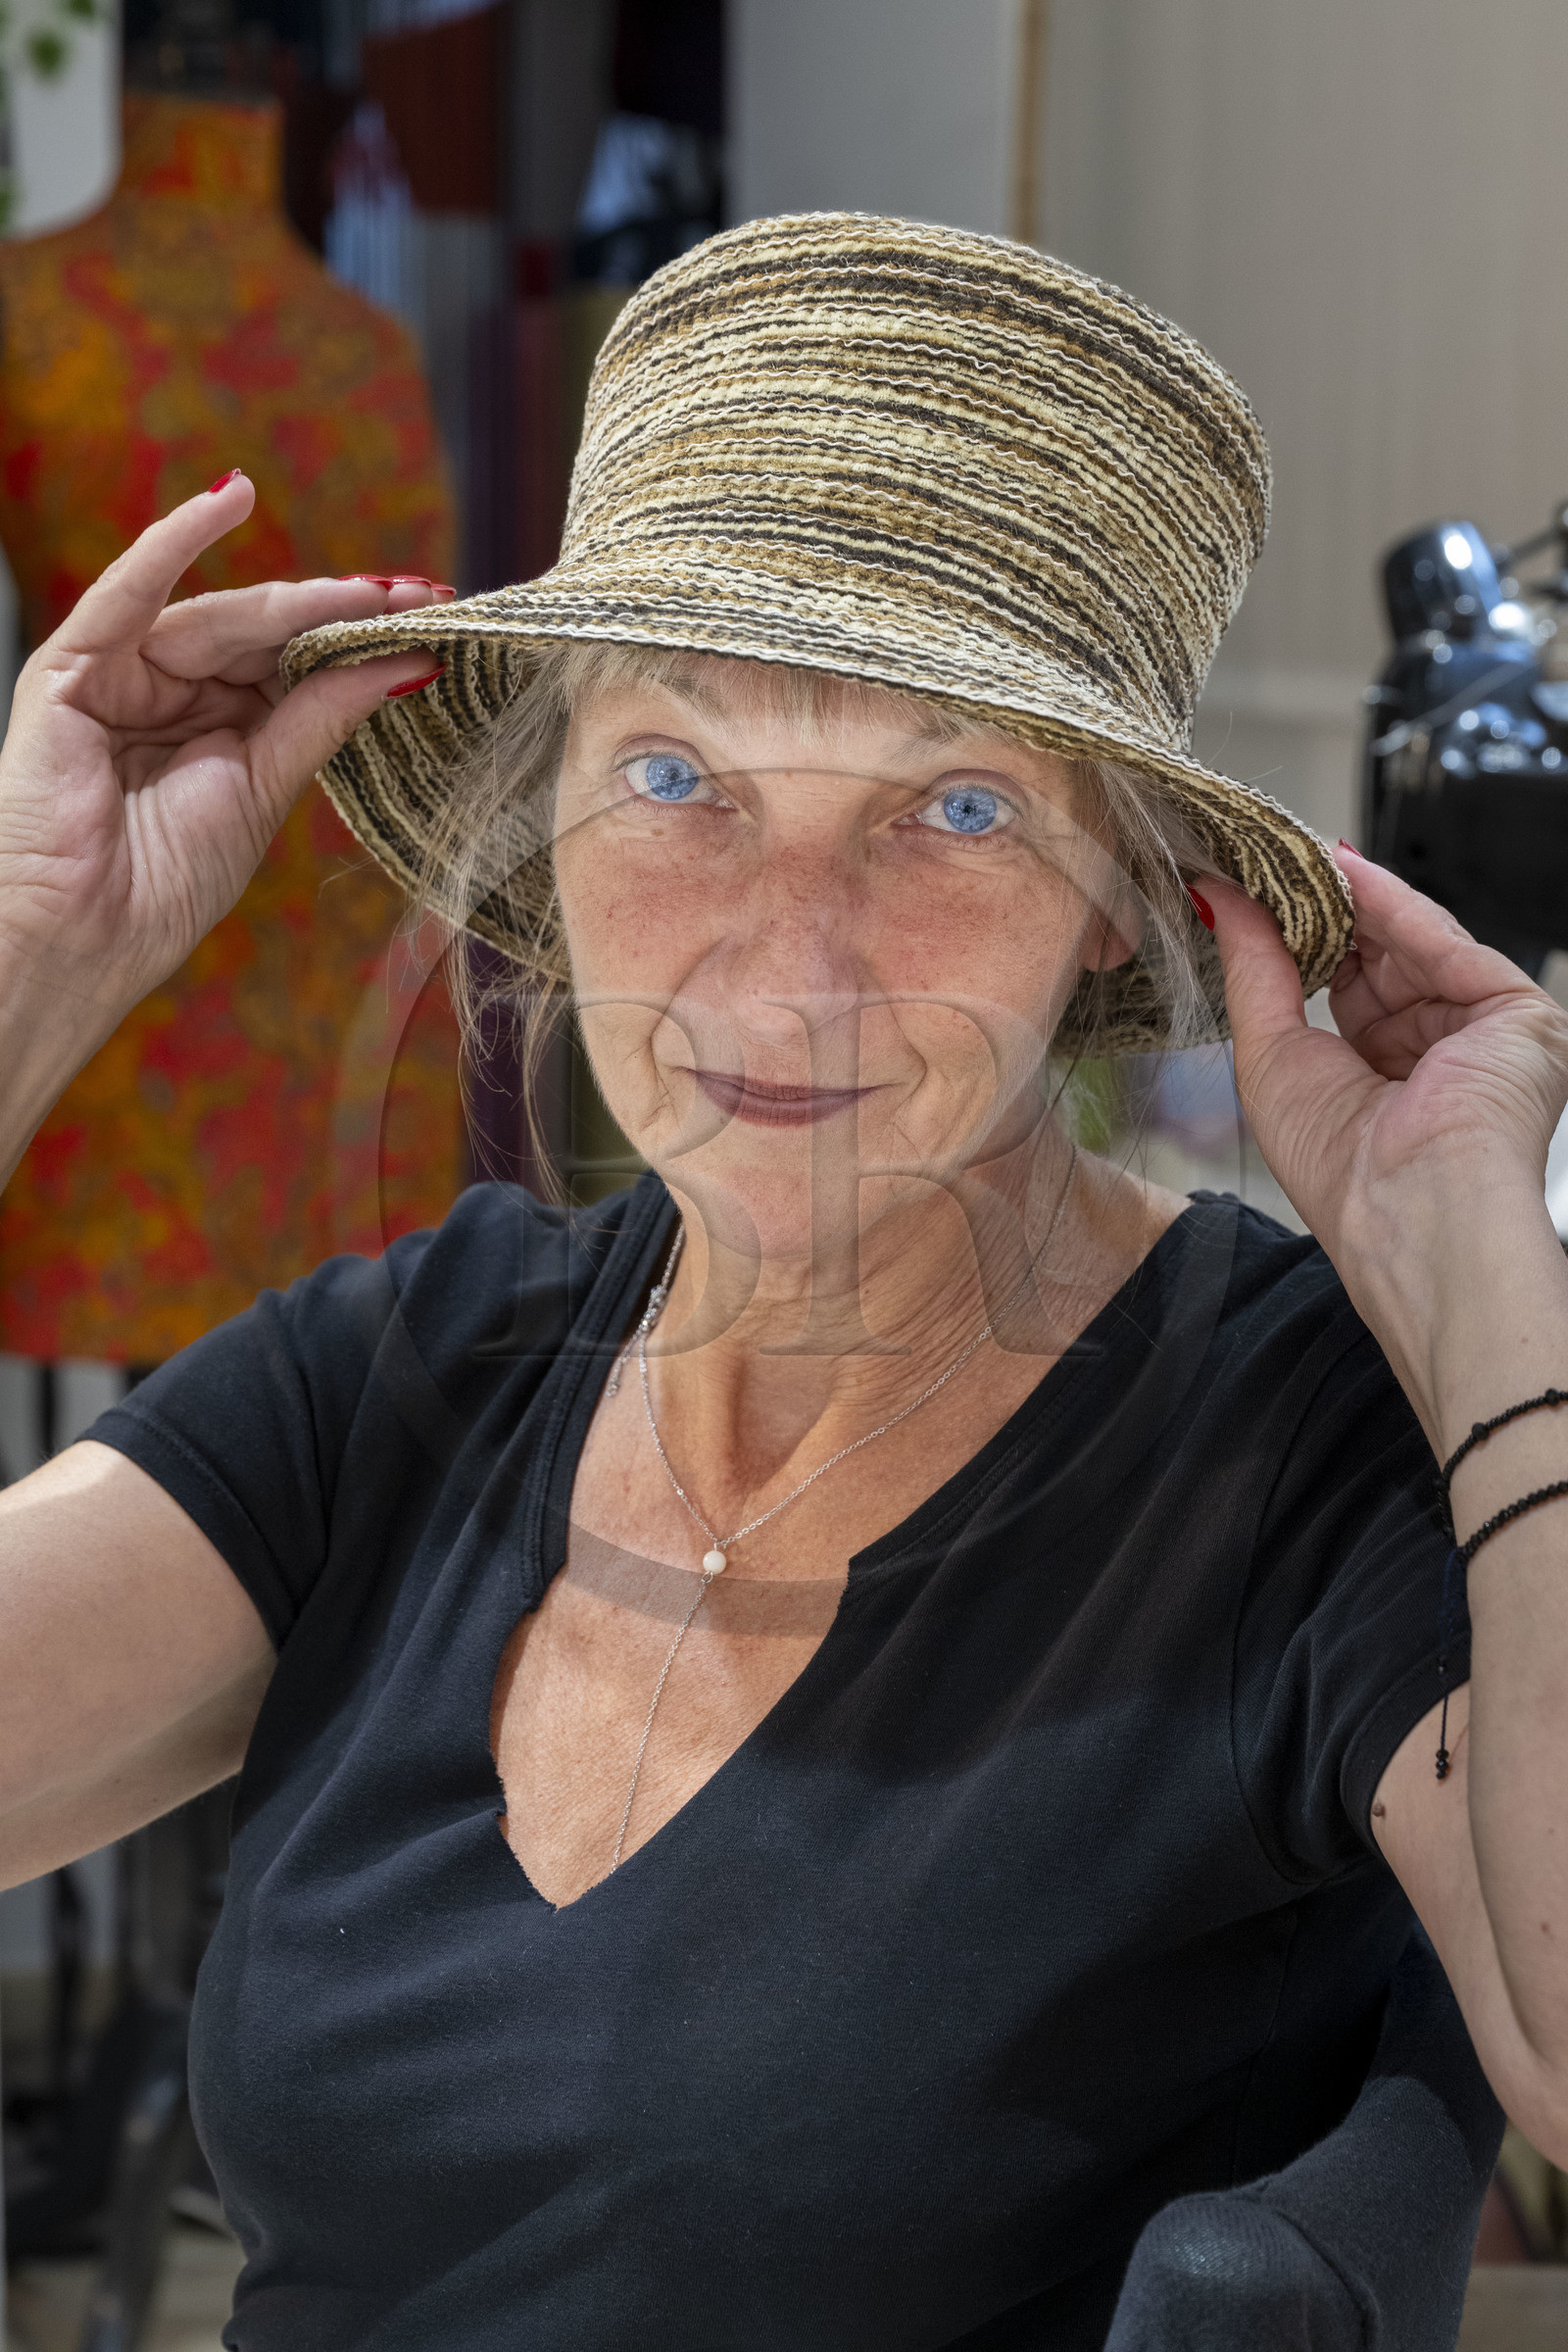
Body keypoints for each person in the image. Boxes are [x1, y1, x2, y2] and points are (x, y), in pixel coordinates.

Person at [1, 214, 1566, 2350]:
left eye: (946, 808)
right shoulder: (417, 1369)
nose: (783, 960)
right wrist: (31, 964)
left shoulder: (1292, 1450)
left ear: (1120, 898)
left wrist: (1486, 1269)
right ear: (539, 807)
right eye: (676, 778)